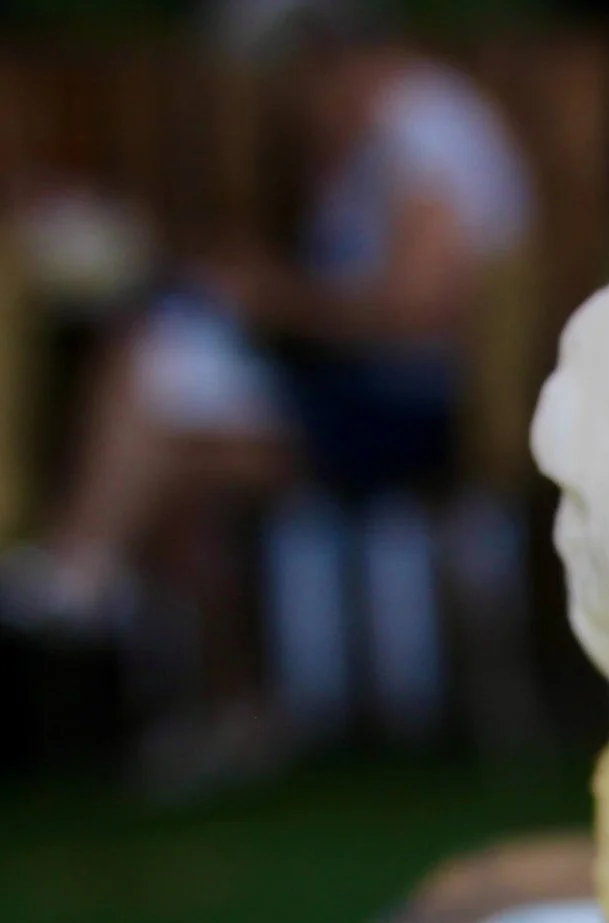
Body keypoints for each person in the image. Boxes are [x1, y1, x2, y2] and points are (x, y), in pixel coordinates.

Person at [0, 0, 531, 781]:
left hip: (416, 414)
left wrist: (272, 296)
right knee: (167, 420)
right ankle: (166, 650)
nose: (280, 103)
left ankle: (89, 583)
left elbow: (421, 312)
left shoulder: (422, 127)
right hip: (367, 399)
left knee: (158, 396)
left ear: (320, 56)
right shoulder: (376, 137)